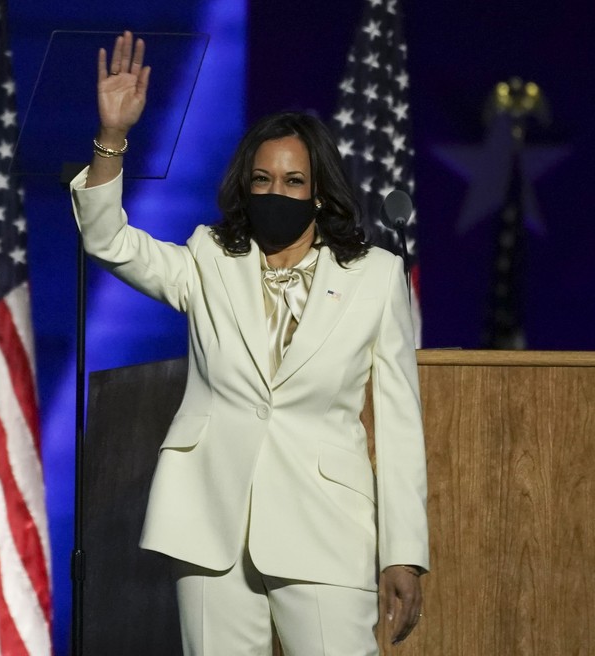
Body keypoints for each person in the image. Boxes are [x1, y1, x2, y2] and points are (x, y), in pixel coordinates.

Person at [70, 31, 429, 655]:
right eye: (262, 180)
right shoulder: (209, 258)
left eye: (292, 181)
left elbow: (400, 425)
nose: (274, 193)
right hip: (211, 526)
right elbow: (109, 241)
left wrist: (403, 552)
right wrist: (112, 138)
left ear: (319, 191)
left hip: (325, 527)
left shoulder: (375, 276)